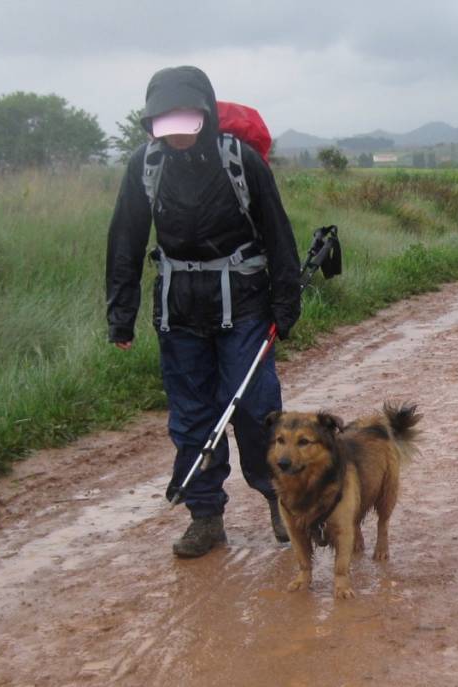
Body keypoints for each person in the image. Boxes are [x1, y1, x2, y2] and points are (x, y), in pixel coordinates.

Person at [105, 66, 301, 558]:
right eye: (164, 125)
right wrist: (120, 314)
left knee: (256, 409)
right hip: (179, 312)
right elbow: (125, 240)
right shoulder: (145, 166)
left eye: (186, 123)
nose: (176, 136)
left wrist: (286, 303)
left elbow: (277, 233)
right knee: (192, 417)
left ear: (206, 116)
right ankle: (206, 517)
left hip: (247, 305)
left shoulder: (242, 162)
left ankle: (282, 501)